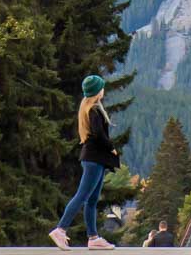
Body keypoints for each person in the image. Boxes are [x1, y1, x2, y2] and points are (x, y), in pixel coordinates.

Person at [49, 74, 121, 250]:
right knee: (82, 196)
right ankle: (60, 229)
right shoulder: (94, 110)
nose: (104, 89)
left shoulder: (88, 108)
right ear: (97, 91)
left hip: (93, 158)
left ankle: (93, 237)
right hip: (94, 158)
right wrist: (111, 147)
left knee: (92, 199)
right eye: (102, 87)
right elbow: (98, 134)